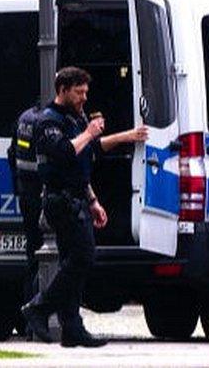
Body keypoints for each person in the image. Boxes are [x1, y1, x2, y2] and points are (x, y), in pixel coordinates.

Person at [21, 66, 148, 348]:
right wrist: (89, 132)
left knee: (74, 264)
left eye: (86, 92)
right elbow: (65, 152)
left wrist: (93, 201)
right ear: (63, 90)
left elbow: (84, 159)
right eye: (79, 92)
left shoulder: (74, 119)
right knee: (83, 258)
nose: (83, 98)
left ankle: (71, 328)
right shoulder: (48, 121)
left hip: (77, 198)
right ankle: (39, 307)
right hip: (60, 201)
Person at [7, 104, 45, 316]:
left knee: (32, 256)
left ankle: (30, 316)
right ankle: (39, 314)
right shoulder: (47, 121)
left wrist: (17, 188)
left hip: (26, 194)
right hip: (43, 195)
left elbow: (12, 154)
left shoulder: (25, 118)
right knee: (51, 257)